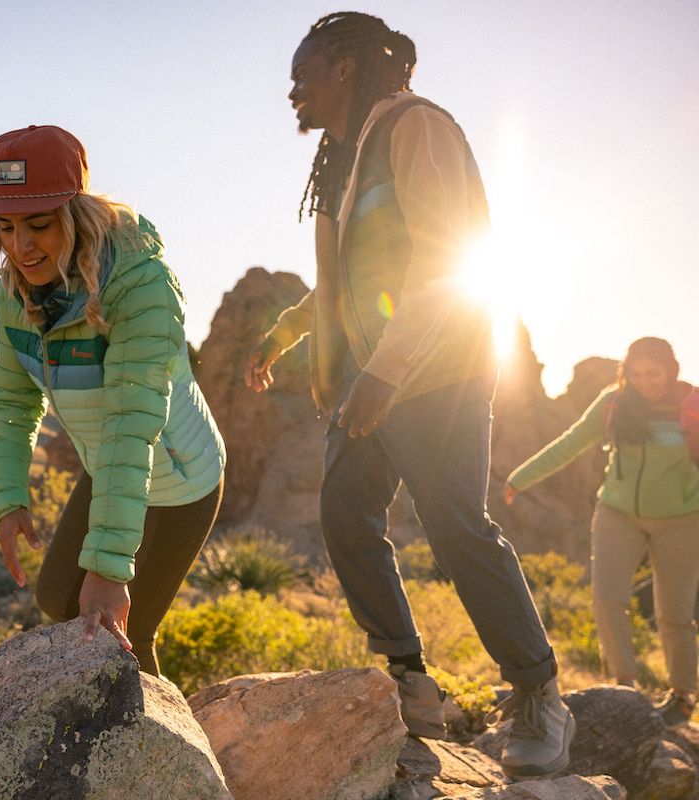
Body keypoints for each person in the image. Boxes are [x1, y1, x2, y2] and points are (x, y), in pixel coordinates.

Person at [243, 11, 572, 775]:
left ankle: (538, 693)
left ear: (347, 67)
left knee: (455, 523)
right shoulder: (344, 156)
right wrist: (285, 334)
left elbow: (445, 257)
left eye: (303, 74)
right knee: (345, 513)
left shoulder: (417, 129)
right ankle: (410, 681)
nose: (292, 91)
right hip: (370, 373)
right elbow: (345, 281)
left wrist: (385, 375)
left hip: (442, 367)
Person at [0, 125, 226, 676]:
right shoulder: (19, 293)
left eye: (37, 224)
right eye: (4, 227)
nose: (19, 245)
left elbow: (133, 424)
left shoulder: (140, 287)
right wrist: (7, 498)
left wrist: (110, 569)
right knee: (59, 601)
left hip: (176, 477)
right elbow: (10, 400)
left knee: (118, 630)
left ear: (76, 215)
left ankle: (161, 756)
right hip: (113, 466)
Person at [506, 337, 699, 727]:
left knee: (674, 615)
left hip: (680, 518)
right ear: (625, 372)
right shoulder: (614, 402)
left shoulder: (691, 404)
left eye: (654, 373)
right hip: (617, 513)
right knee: (608, 598)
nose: (646, 381)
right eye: (636, 373)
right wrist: (520, 478)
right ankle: (624, 685)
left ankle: (681, 695)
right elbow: (572, 442)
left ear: (671, 369)